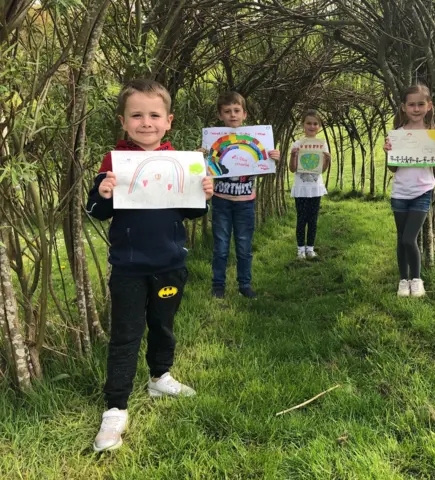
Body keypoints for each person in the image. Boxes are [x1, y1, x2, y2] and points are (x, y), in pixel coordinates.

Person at [86, 79, 214, 452]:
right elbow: (95, 210)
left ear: (168, 120)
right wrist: (103, 192)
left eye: (154, 115)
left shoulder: (182, 160)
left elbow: (191, 212)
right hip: (127, 267)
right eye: (136, 115)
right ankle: (115, 406)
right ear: (124, 121)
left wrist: (203, 191)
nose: (146, 122)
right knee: (126, 334)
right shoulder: (114, 162)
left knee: (163, 324)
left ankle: (159, 376)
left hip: (171, 264)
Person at [209, 91, 280, 299]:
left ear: (244, 114)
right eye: (227, 111)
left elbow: (264, 163)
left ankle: (244, 285)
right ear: (220, 115)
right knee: (220, 247)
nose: (232, 115)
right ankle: (218, 287)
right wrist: (201, 156)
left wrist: (273, 157)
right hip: (221, 201)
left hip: (246, 203)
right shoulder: (213, 139)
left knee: (244, 246)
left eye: (236, 110)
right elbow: (205, 165)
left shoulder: (258, 139)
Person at [383, 84, 435, 297]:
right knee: (402, 238)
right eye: (412, 105)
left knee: (410, 238)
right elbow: (393, 168)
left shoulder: (433, 134)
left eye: (420, 104)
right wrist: (388, 153)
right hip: (400, 193)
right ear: (403, 107)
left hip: (422, 191)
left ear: (429, 106)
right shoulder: (397, 135)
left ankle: (417, 279)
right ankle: (403, 280)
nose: (416, 109)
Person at [289, 109, 331, 260]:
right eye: (309, 123)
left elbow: (322, 170)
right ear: (303, 125)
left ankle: (310, 249)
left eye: (315, 124)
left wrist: (327, 159)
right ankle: (300, 249)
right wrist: (293, 155)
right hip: (301, 188)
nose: (312, 126)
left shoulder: (322, 145)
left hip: (315, 188)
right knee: (301, 219)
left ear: (319, 126)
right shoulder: (297, 143)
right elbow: (293, 169)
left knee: (313, 219)